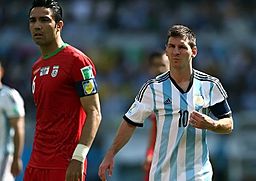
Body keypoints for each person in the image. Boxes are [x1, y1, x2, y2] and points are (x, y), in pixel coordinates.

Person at [98, 24, 234, 181]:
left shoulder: (209, 85)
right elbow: (130, 122)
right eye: (171, 46)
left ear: (194, 52)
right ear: (166, 50)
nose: (176, 52)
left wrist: (212, 124)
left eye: (181, 47)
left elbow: (229, 124)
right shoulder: (153, 88)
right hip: (163, 174)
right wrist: (111, 153)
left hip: (198, 173)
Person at [25, 0, 102, 181]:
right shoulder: (36, 67)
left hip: (65, 164)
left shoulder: (77, 61)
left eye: (44, 20)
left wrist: (79, 156)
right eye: (32, 20)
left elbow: (94, 113)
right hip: (36, 163)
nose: (37, 26)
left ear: (59, 25)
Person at [143, 52, 169, 181]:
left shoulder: (182, 90)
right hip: (159, 157)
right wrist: (150, 152)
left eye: (162, 65)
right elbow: (155, 128)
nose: (159, 69)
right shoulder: (151, 93)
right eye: (155, 65)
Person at [0, 60, 25, 181]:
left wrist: (17, 157)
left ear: (1, 72)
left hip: (3, 156)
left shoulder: (8, 96)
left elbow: (18, 128)